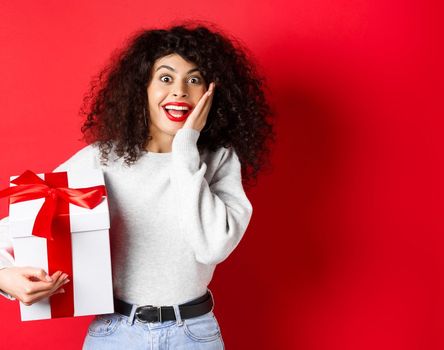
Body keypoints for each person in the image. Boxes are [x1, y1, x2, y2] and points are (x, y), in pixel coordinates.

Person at [0, 21, 274, 349]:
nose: (180, 91)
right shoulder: (101, 159)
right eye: (166, 77)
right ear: (142, 86)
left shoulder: (218, 161)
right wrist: (4, 277)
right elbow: (13, 230)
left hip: (193, 335)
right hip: (115, 333)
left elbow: (212, 246)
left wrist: (186, 145)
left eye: (194, 79)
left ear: (211, 92)